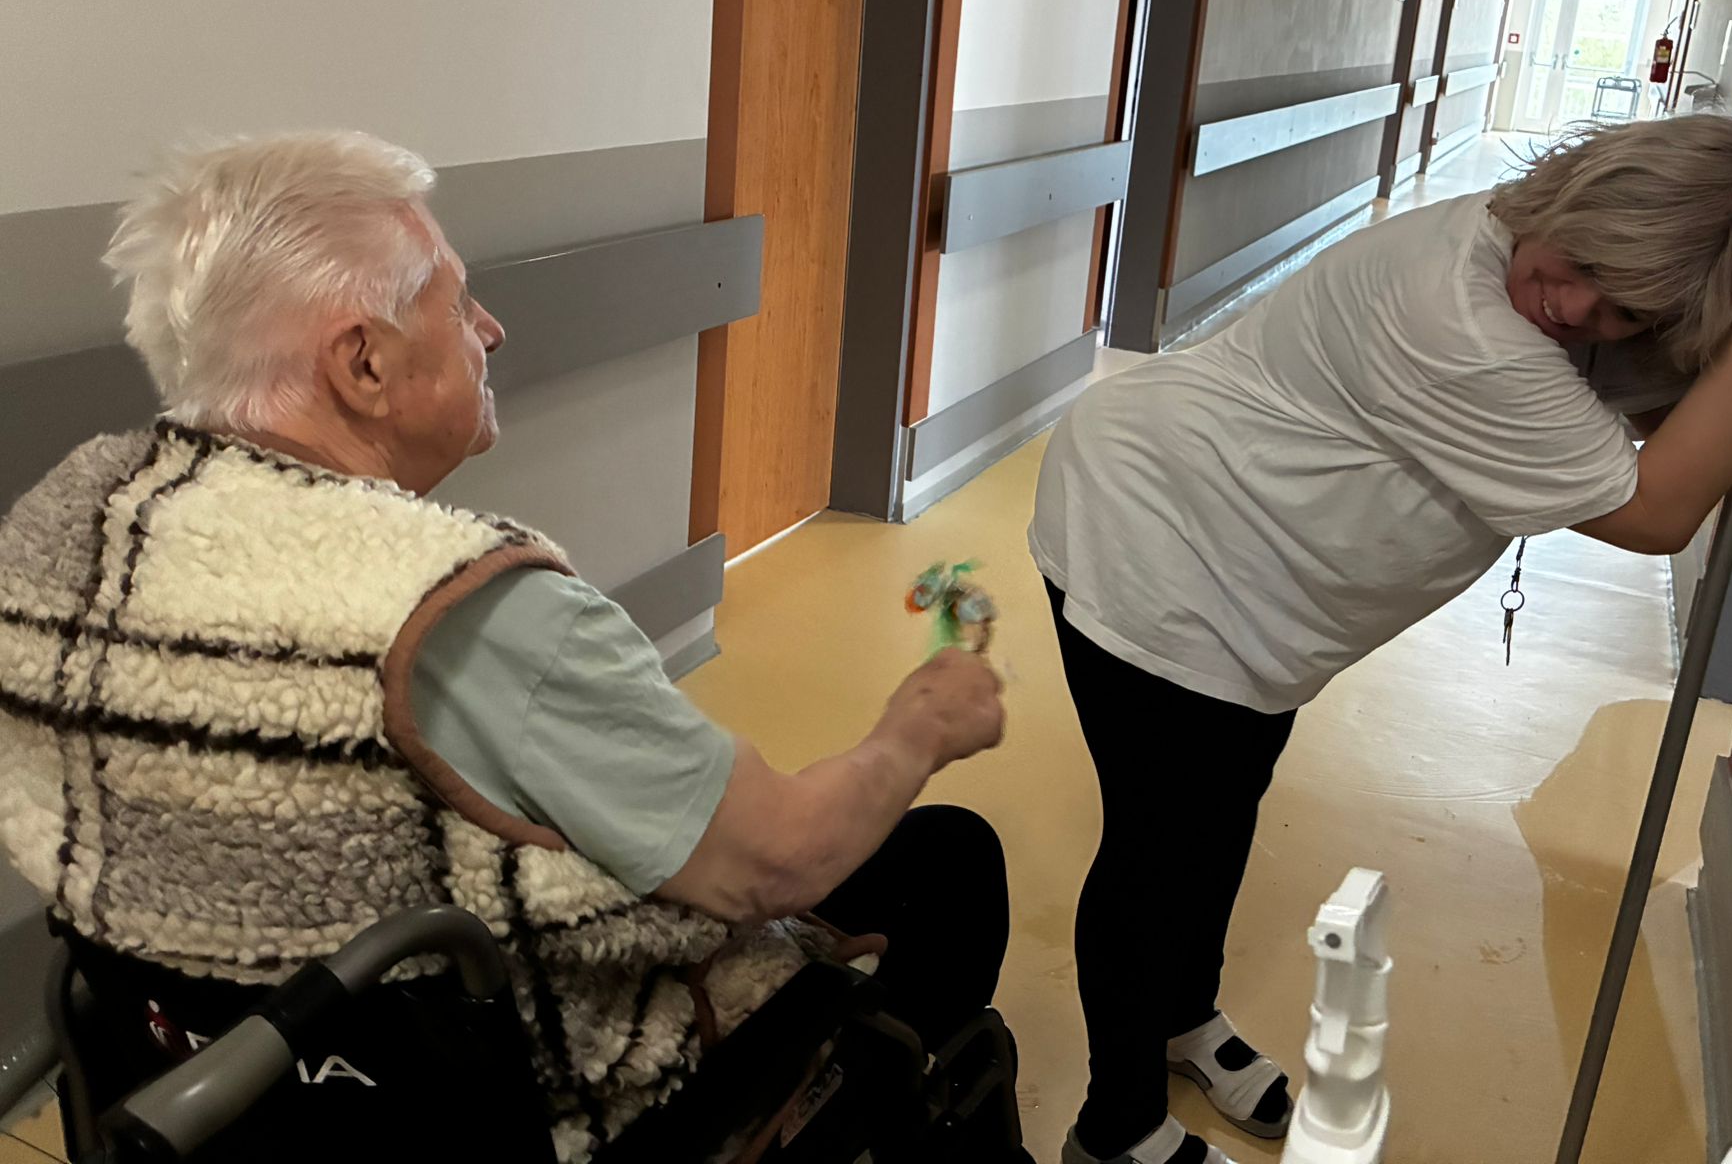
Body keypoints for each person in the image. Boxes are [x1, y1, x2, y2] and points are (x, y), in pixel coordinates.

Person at [0, 131, 1011, 1163]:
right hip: (534, 1101)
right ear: (362, 363)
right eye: (456, 302)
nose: (490, 327)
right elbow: (776, 863)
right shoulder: (462, 612)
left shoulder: (69, 540)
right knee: (946, 861)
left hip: (228, 1087)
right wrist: (918, 727)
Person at [1029, 112, 1732, 1164]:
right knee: (1160, 846)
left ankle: (1177, 1018)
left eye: (1622, 306)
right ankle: (1113, 1130)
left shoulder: (1582, 291)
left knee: (1220, 810)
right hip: (1155, 535)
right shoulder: (1456, 313)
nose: (1574, 307)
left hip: (1267, 585)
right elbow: (1660, 512)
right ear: (1568, 197)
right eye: (1581, 265)